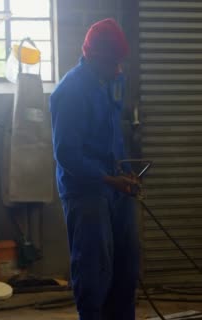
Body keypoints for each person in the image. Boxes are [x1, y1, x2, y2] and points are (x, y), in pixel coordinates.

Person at [49, 18, 140, 320]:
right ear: (93, 57)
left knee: (126, 265)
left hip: (115, 186)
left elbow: (114, 129)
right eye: (112, 62)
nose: (118, 69)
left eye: (119, 62)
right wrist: (106, 178)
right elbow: (66, 154)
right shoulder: (71, 92)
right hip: (86, 191)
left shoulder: (114, 79)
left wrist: (123, 174)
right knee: (94, 268)